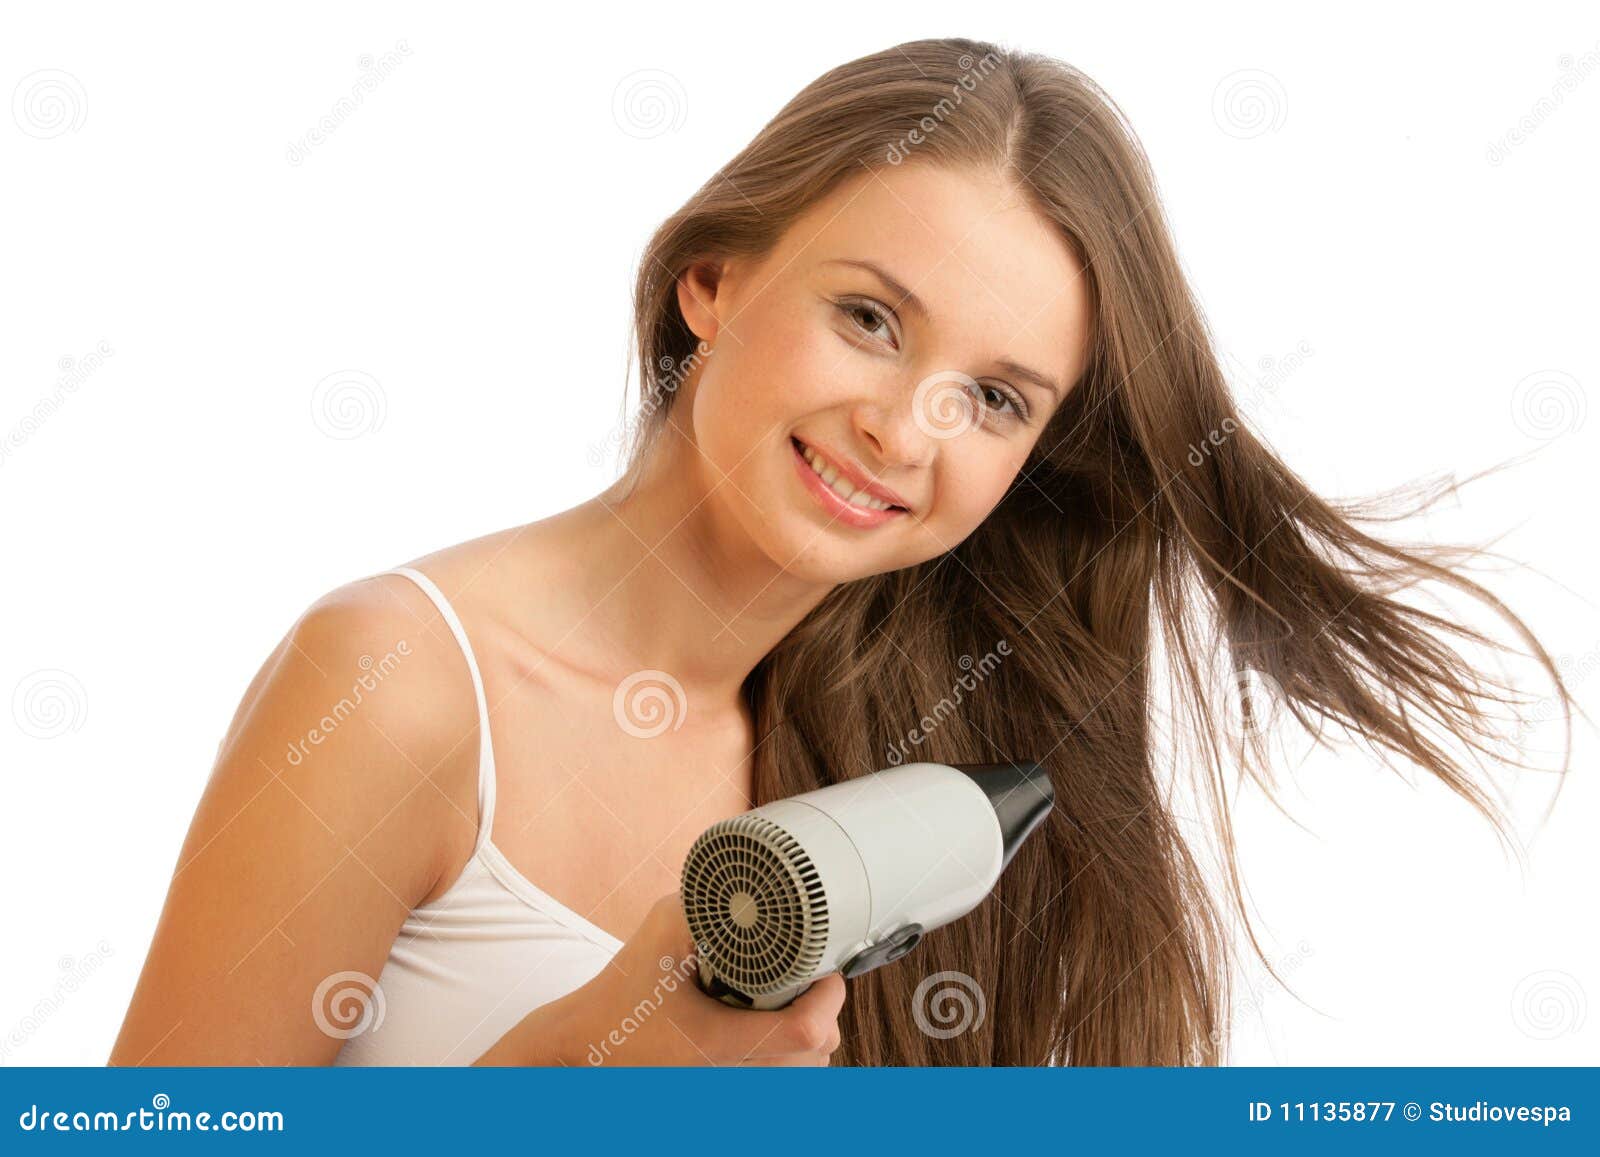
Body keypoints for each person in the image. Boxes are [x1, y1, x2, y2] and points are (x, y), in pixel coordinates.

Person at [109, 36, 1575, 1067]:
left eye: (996, 399)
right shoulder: (405, 682)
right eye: (870, 317)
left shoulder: (891, 749)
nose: (904, 429)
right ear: (714, 278)